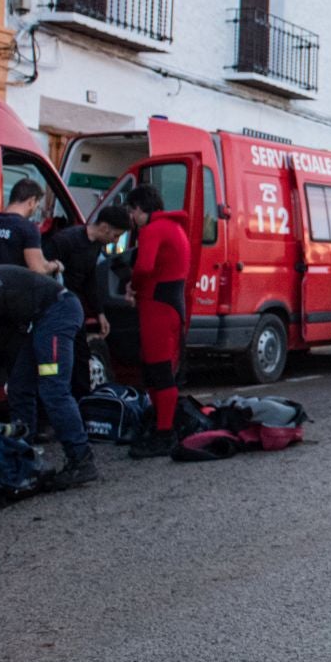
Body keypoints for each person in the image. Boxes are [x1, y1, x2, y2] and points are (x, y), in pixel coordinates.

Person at [0, 263, 97, 488]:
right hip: (40, 321)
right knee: (19, 386)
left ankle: (81, 459)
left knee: (53, 389)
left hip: (58, 312)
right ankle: (23, 454)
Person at [124, 186, 191, 460]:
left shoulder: (152, 230)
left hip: (156, 306)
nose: (131, 216)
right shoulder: (175, 227)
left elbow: (144, 268)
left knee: (158, 369)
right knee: (158, 369)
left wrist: (132, 287)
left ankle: (164, 433)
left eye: (131, 211)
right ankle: (164, 424)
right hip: (170, 304)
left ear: (141, 208)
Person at [44, 205, 133, 339]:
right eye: (116, 236)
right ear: (104, 228)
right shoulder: (66, 240)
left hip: (74, 307)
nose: (116, 241)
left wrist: (100, 313)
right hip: (58, 307)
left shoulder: (95, 245)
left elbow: (89, 280)